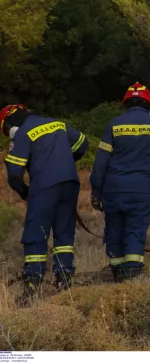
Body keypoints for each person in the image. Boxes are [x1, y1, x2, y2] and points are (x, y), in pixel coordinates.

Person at [90, 83, 150, 282]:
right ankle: (132, 279)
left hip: (113, 189)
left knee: (114, 232)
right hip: (140, 189)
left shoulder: (114, 125)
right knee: (135, 232)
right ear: (148, 103)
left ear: (126, 102)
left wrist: (96, 192)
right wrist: (147, 168)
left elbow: (100, 164)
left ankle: (118, 278)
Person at [0, 104, 88, 298]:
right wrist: (64, 161)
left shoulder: (24, 133)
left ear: (11, 123)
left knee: (35, 233)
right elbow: (82, 142)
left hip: (45, 186)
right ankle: (64, 279)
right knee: (64, 233)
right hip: (70, 183)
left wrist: (24, 192)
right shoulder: (57, 124)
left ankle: (32, 284)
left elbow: (14, 172)